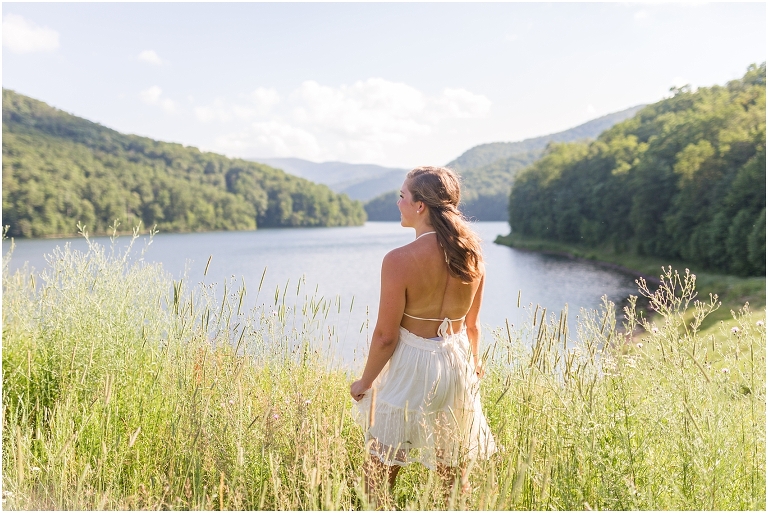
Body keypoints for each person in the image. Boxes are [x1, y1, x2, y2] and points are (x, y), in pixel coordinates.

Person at [350, 166, 496, 505]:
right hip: (457, 362)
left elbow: (386, 336)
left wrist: (365, 382)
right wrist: (474, 363)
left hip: (413, 366)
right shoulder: (473, 256)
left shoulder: (399, 260)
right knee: (452, 473)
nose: (398, 202)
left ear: (420, 206)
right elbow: (472, 326)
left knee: (380, 470)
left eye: (403, 196)